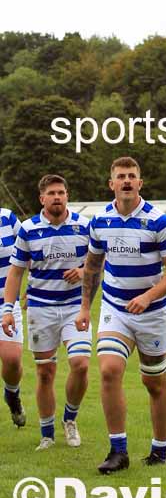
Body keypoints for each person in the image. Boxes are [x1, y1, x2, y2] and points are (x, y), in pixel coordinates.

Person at [75, 156, 166, 473]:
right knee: (109, 371)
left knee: (155, 383)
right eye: (121, 176)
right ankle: (118, 451)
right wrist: (85, 307)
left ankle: (160, 449)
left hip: (153, 314)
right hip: (115, 310)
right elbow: (92, 267)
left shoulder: (159, 222)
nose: (126, 180)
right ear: (111, 183)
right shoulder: (100, 221)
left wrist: (148, 297)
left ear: (140, 183)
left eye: (131, 176)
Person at [2, 175, 91, 450]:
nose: (57, 197)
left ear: (67, 195)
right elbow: (16, 272)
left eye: (61, 192)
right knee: (45, 373)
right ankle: (47, 434)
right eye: (51, 193)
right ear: (42, 198)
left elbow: (100, 260)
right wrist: (9, 308)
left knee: (81, 364)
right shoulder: (29, 229)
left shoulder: (84, 225)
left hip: (75, 307)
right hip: (40, 309)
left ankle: (70, 419)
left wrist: (84, 271)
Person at [0, 207, 25, 427]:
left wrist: (34, 285)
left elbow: (28, 250)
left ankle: (12, 394)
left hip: (6, 303)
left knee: (12, 359)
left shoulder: (7, 218)